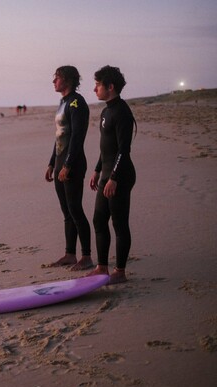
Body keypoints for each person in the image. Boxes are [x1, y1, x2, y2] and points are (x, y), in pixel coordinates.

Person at [87, 65, 136, 284]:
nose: (95, 89)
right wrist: (98, 170)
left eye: (98, 85)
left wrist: (114, 178)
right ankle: (101, 267)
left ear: (110, 86)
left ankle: (120, 271)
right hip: (107, 172)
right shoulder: (107, 110)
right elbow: (106, 147)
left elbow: (123, 150)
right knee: (99, 219)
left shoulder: (122, 112)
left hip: (121, 174)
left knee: (118, 223)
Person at [45, 66, 93, 271]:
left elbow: (77, 137)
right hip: (60, 162)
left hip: (72, 164)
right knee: (66, 212)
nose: (53, 81)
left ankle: (87, 257)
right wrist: (51, 162)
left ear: (67, 80)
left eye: (56, 78)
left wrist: (67, 165)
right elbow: (60, 136)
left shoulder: (77, 102)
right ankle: (70, 254)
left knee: (75, 210)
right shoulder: (63, 102)